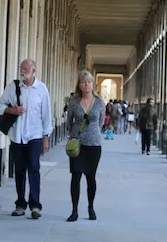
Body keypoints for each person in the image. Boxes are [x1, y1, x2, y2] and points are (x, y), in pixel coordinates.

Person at [0, 59, 52, 219]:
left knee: (34, 169)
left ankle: (35, 206)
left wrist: (46, 138)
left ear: (34, 71)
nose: (23, 71)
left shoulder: (41, 89)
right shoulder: (12, 87)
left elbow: (46, 115)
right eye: (21, 68)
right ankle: (20, 204)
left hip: (35, 136)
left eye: (26, 68)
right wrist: (11, 110)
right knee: (19, 171)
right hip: (17, 136)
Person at [65, 70, 105, 222]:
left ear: (92, 84)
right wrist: (75, 134)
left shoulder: (100, 101)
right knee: (75, 176)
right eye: (83, 82)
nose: (86, 84)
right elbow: (69, 121)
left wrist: (93, 132)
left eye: (88, 82)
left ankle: (91, 207)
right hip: (77, 144)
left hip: (94, 145)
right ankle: (74, 210)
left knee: (91, 177)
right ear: (79, 85)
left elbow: (100, 122)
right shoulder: (74, 102)